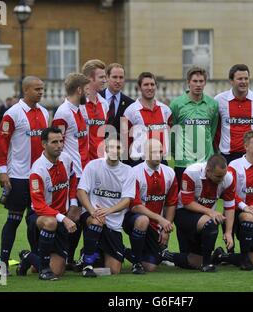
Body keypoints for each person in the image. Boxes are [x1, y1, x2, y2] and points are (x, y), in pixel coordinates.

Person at [0, 76, 49, 272]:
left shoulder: (44, 112)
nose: (41, 92)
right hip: (18, 176)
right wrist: (3, 172)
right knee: (14, 219)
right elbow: (2, 144)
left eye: (42, 89)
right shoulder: (13, 114)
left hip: (39, 177)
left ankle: (33, 260)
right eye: (37, 89)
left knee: (35, 221)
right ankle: (3, 263)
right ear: (25, 90)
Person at [16, 127, 78, 280]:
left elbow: (73, 178)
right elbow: (39, 206)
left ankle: (29, 257)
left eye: (61, 141)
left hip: (61, 217)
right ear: (44, 144)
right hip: (40, 216)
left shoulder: (67, 159)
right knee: (51, 223)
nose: (59, 145)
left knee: (58, 270)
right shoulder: (38, 170)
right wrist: (63, 218)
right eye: (54, 142)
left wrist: (74, 203)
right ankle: (44, 269)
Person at [213, 130, 253, 271]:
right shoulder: (234, 166)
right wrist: (244, 207)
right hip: (239, 214)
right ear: (246, 146)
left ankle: (221, 256)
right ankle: (244, 260)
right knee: (248, 217)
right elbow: (228, 193)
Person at [161, 154, 236, 272]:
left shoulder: (228, 178)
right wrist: (210, 212)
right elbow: (187, 202)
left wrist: (228, 232)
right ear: (208, 171)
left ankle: (165, 255)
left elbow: (230, 207)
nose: (222, 179)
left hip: (203, 217)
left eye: (223, 175)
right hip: (184, 213)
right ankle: (206, 264)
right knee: (211, 222)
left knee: (194, 261)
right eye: (218, 176)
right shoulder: (191, 172)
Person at [77, 136, 136, 276]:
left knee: (114, 271)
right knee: (96, 222)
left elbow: (127, 200)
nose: (114, 151)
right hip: (93, 216)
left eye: (118, 148)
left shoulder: (128, 171)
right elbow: (81, 192)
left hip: (113, 223)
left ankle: (87, 255)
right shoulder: (93, 165)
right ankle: (87, 266)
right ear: (105, 149)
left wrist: (108, 211)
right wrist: (92, 211)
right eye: (111, 148)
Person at [51, 73, 91, 271]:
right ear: (79, 90)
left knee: (80, 218)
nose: (89, 92)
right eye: (87, 88)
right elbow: (56, 144)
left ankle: (69, 257)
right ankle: (58, 256)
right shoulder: (63, 113)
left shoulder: (80, 109)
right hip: (72, 174)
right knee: (72, 215)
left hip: (84, 171)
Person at [125, 138, 178, 274]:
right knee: (143, 220)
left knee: (151, 266)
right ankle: (136, 263)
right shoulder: (134, 172)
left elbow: (171, 203)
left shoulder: (169, 173)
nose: (157, 155)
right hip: (134, 220)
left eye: (160, 152)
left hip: (156, 226)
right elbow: (135, 206)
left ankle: (122, 251)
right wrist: (160, 219)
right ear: (145, 154)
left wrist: (166, 229)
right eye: (153, 152)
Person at [170, 66, 219, 189]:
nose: (198, 85)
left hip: (206, 163)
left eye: (201, 81)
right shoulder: (177, 104)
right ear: (188, 82)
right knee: (183, 202)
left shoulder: (213, 104)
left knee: (205, 200)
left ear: (205, 83)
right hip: (183, 163)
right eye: (195, 81)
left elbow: (212, 132)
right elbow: (172, 133)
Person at [214, 64, 253, 164]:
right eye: (240, 79)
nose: (243, 82)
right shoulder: (219, 100)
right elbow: (214, 128)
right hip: (227, 155)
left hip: (250, 154)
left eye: (246, 78)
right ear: (231, 80)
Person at [124, 72, 172, 166]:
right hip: (139, 161)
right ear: (139, 87)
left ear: (156, 86)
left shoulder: (166, 110)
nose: (150, 88)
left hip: (161, 161)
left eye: (152, 84)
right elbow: (125, 141)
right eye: (146, 85)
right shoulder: (130, 112)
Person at [99, 63, 135, 150]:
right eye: (114, 77)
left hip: (119, 152)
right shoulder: (97, 98)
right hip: (98, 150)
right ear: (107, 78)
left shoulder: (130, 104)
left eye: (121, 77)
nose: (118, 81)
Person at [79, 59, 109, 160]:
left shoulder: (104, 104)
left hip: (100, 163)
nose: (105, 80)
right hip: (81, 164)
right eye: (101, 77)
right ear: (89, 78)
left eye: (105, 77)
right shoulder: (77, 104)